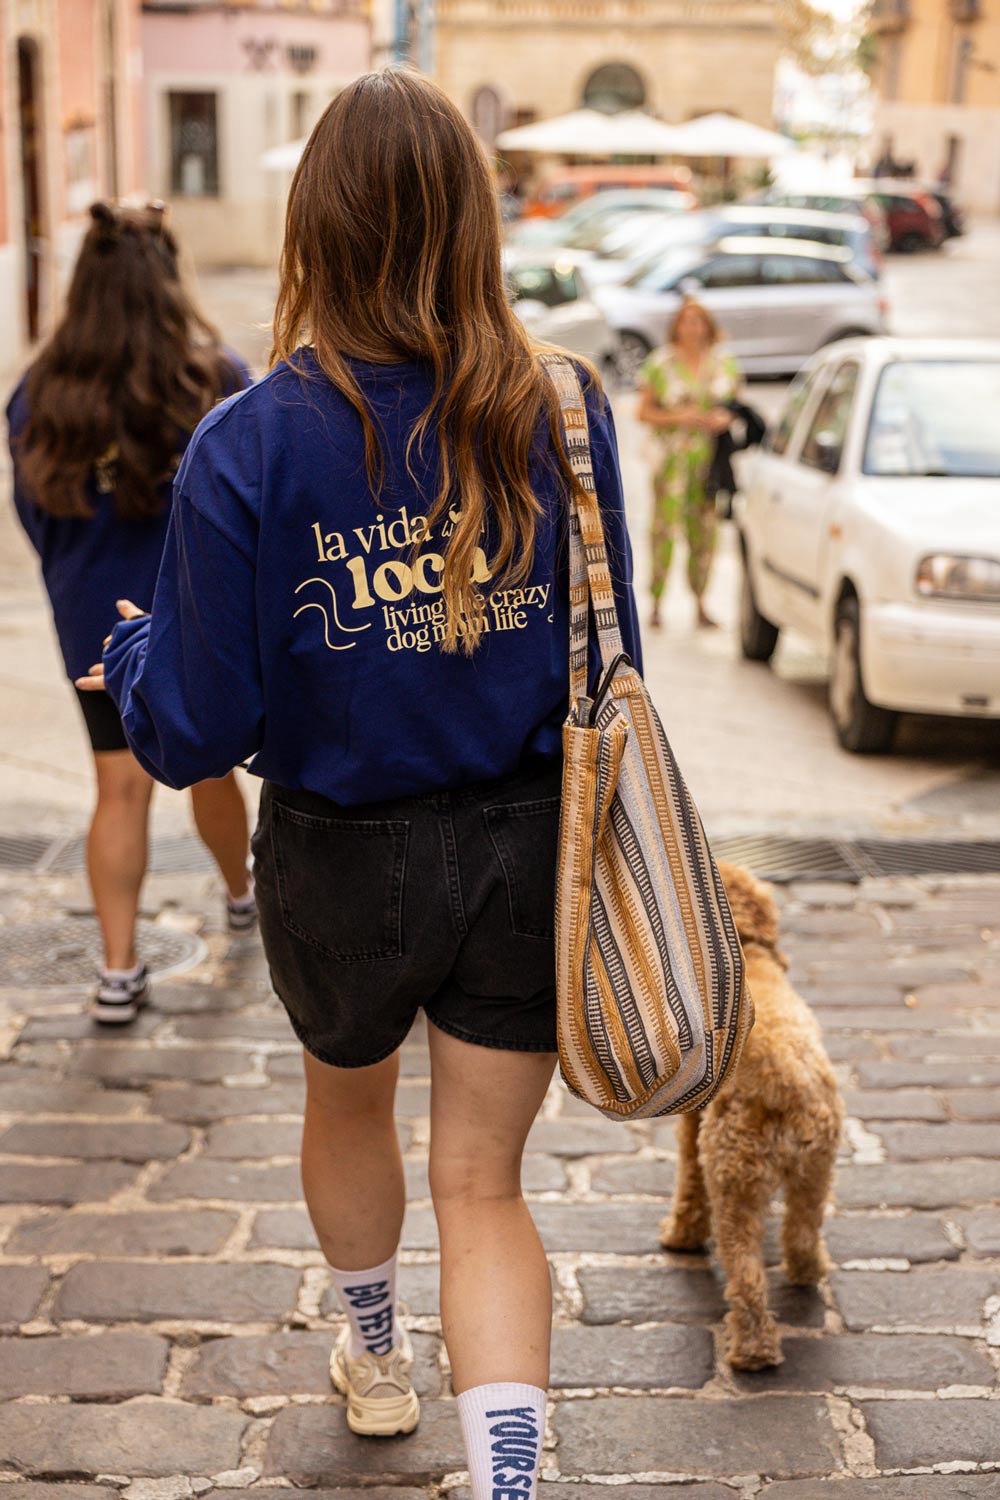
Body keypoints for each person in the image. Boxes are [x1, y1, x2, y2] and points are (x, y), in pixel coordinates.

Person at [75, 71, 641, 1498]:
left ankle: (377, 1354)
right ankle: (511, 1486)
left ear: (312, 226)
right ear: (473, 225)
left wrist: (135, 659)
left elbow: (193, 734)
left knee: (346, 1108)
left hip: (337, 855)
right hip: (527, 846)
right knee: (487, 1185)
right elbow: (613, 658)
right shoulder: (559, 411)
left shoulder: (252, 440)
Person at [7, 201, 256, 1025]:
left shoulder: (41, 393)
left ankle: (117, 970)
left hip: (91, 621)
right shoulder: (211, 374)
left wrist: (78, 579)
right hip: (193, 612)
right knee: (212, 766)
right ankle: (240, 894)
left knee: (118, 789)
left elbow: (35, 516)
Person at [637, 297, 741, 631]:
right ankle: (656, 601)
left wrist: (723, 418)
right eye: (686, 320)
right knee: (664, 530)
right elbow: (643, 412)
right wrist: (677, 416)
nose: (692, 327)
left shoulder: (723, 363)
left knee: (705, 532)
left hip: (708, 463)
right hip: (671, 464)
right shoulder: (660, 364)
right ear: (676, 326)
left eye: (699, 320)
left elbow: (735, 405)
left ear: (708, 326)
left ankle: (700, 601)